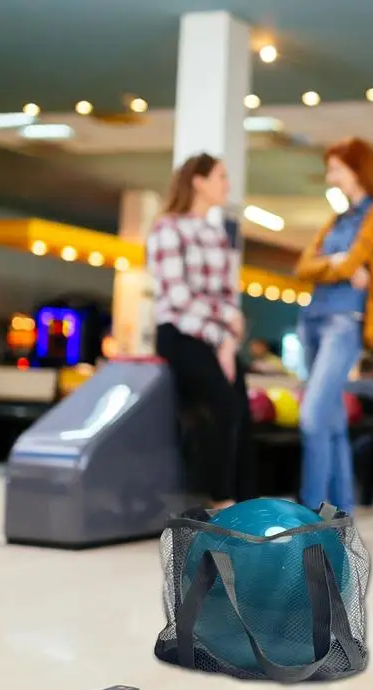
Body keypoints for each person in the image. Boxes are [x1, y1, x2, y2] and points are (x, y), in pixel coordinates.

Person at [294, 137, 373, 513]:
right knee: (333, 424)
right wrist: (337, 264)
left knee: (311, 418)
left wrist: (337, 263)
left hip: (346, 322)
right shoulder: (337, 219)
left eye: (336, 168)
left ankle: (308, 516)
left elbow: (346, 261)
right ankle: (341, 514)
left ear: (357, 170)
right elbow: (303, 266)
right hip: (311, 320)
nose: (330, 175)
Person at [147, 152, 253, 510]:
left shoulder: (216, 233)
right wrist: (222, 326)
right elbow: (177, 296)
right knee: (220, 404)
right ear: (198, 181)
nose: (227, 185)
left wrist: (227, 342)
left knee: (240, 407)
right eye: (221, 177)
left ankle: (242, 502)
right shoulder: (167, 229)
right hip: (179, 333)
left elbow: (227, 293)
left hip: (216, 338)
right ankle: (218, 500)